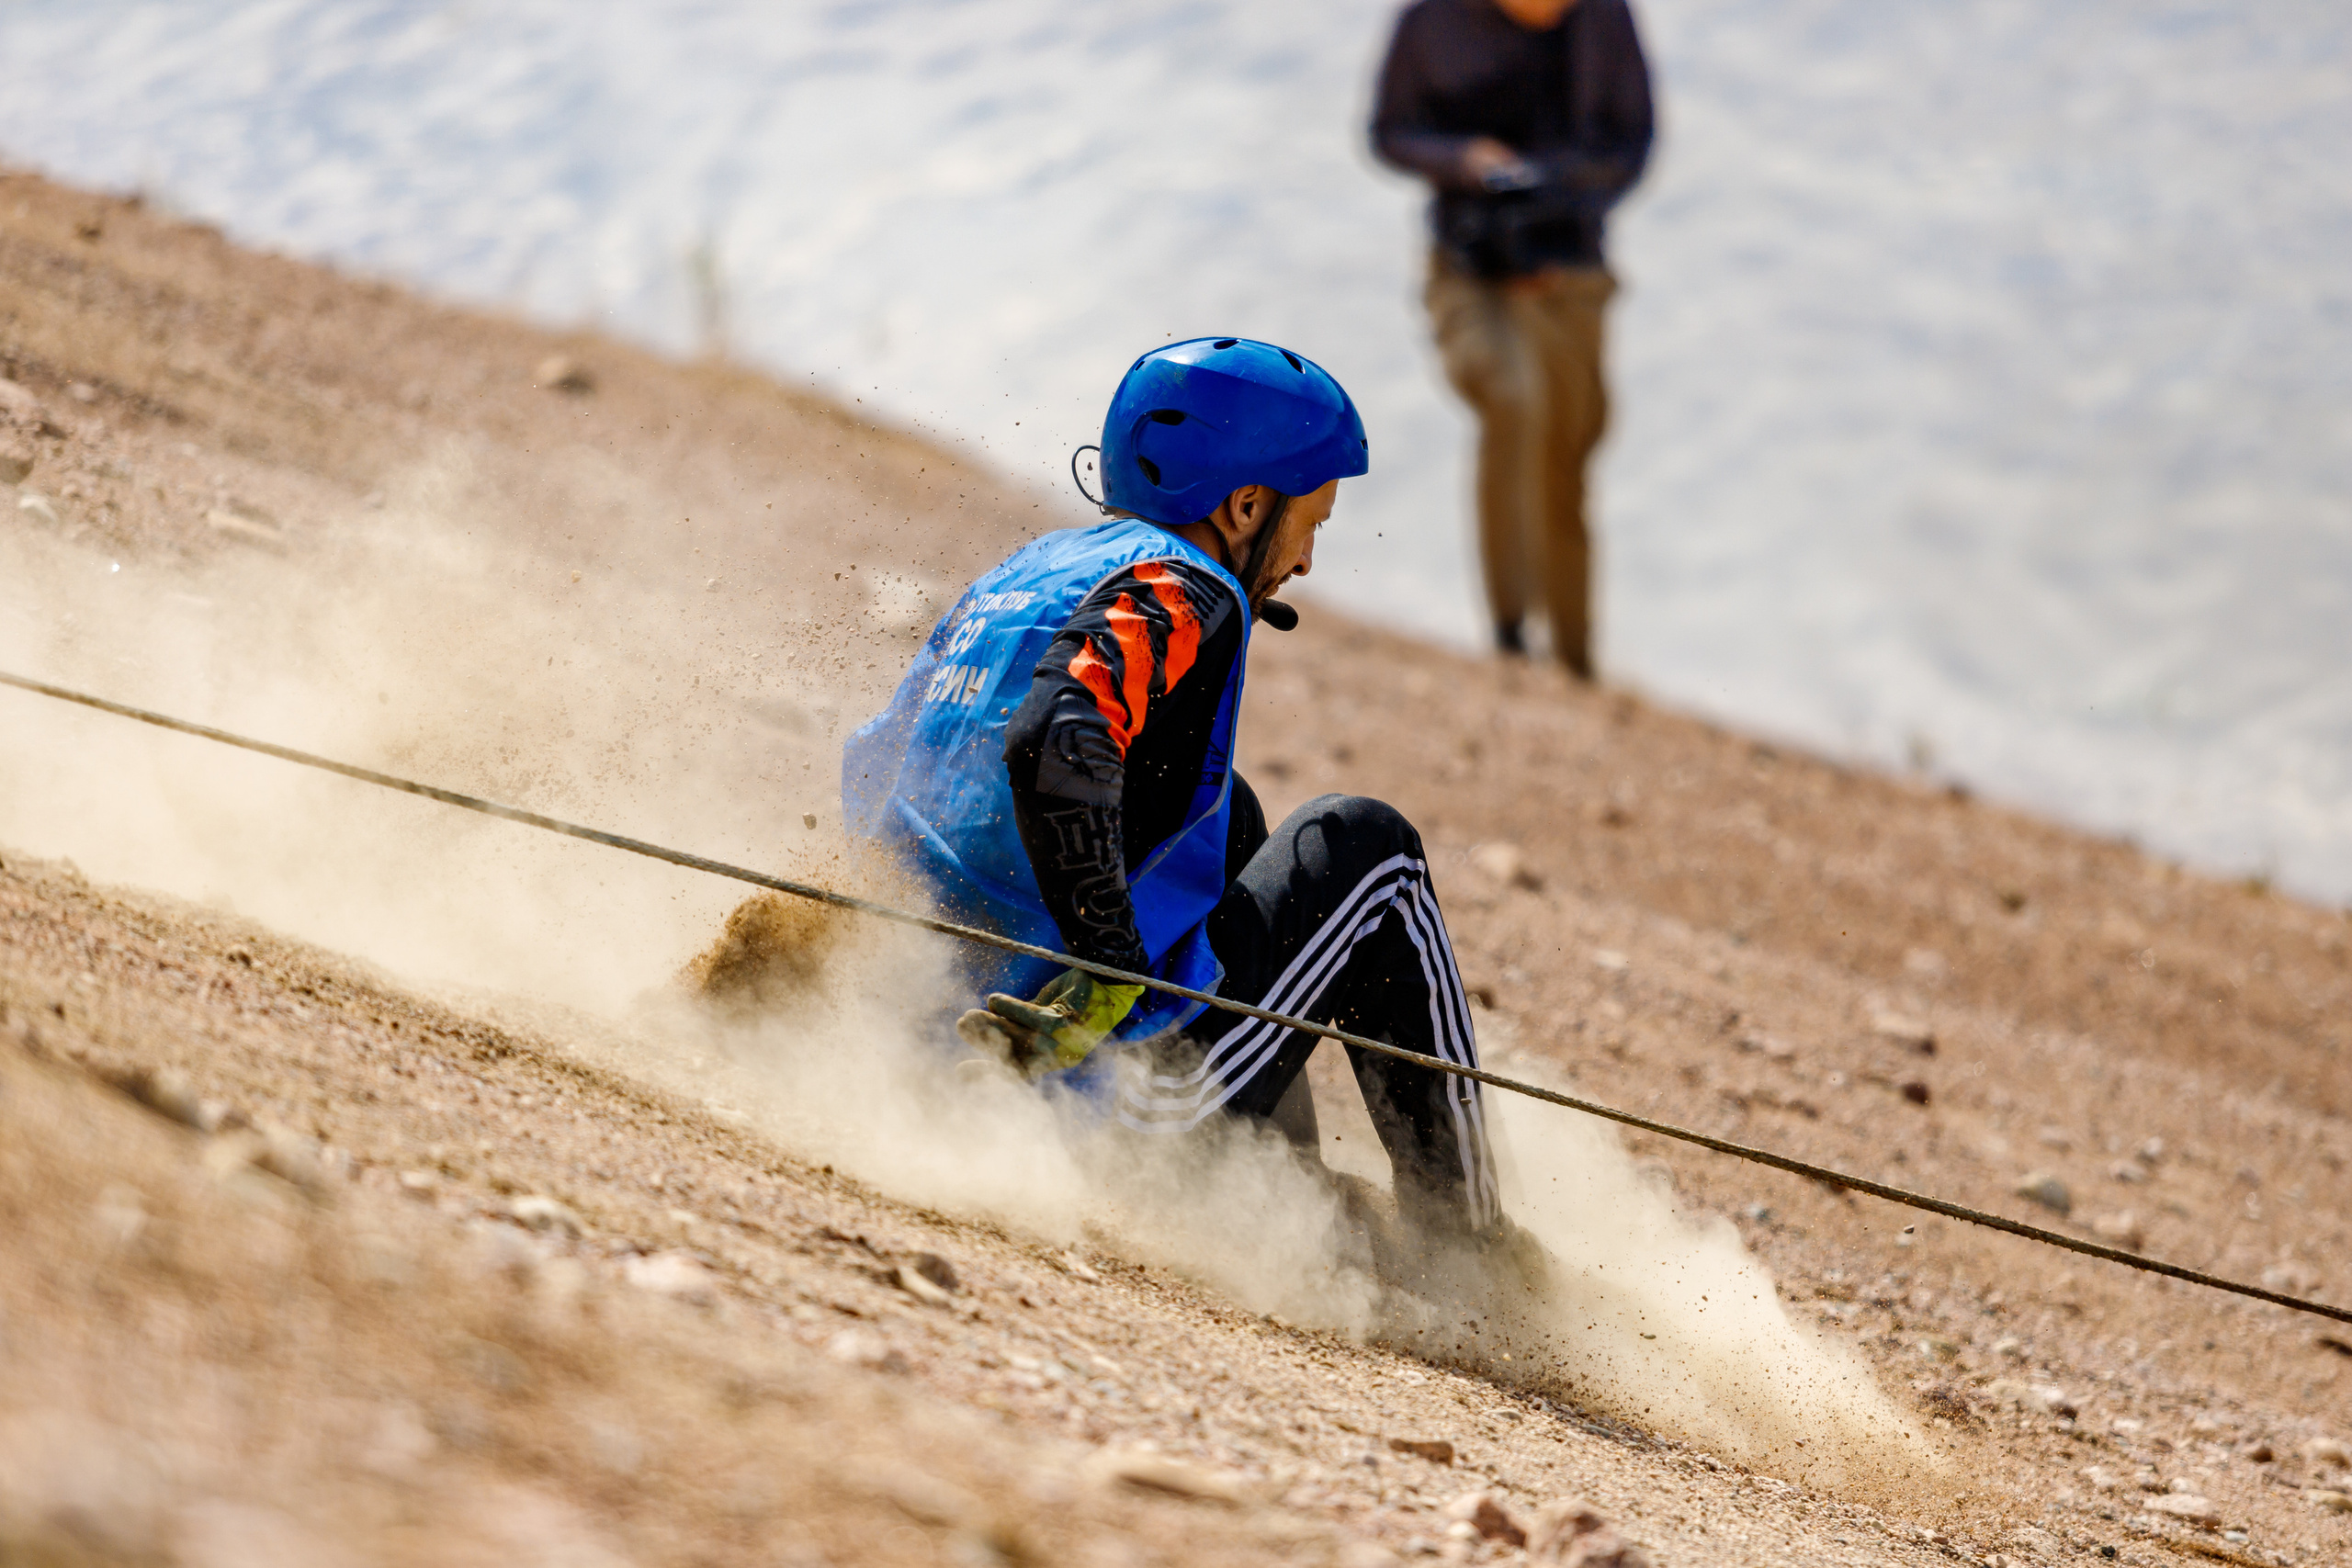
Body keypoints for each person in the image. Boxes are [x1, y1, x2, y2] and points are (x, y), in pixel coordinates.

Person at [842, 338, 1500, 1245]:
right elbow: (1056, 737)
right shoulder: (1183, 586)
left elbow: (877, 773)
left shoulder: (1023, 576)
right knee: (1366, 848)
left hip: (912, 1027)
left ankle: (1285, 1184)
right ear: (1244, 504)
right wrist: (1106, 957)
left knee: (1226, 817)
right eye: (1312, 521)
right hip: (1097, 1105)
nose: (1305, 559)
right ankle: (1472, 1254)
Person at [1372, 0, 1654, 678]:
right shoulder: (1430, 21)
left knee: (1566, 461)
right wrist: (1466, 162)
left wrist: (1555, 196)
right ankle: (1507, 636)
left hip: (1572, 272)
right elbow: (1386, 132)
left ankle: (1577, 661)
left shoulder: (1605, 19)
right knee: (1511, 396)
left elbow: (1635, 144)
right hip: (1468, 267)